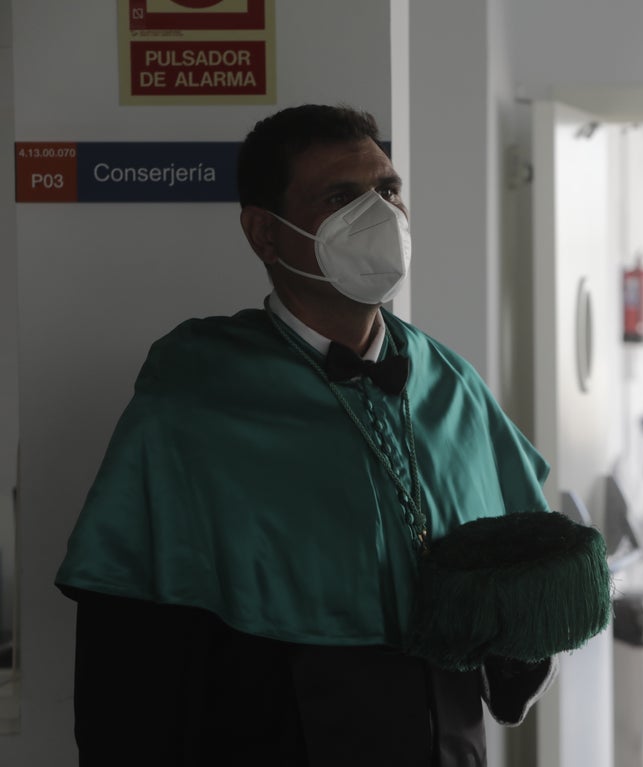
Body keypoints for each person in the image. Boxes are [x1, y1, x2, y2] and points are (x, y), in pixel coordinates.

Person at [54, 105, 607, 766]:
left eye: (388, 190)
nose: (380, 216)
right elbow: (130, 668)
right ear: (264, 232)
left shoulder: (450, 381)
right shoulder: (193, 404)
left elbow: (510, 601)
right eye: (340, 197)